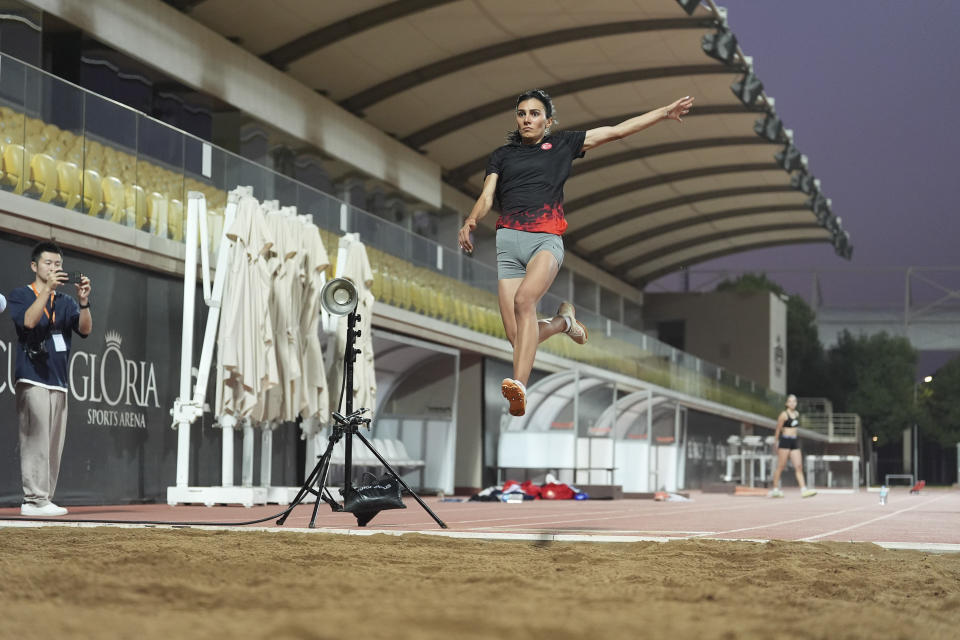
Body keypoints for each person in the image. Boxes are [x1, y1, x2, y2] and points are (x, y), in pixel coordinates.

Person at [457, 89, 694, 416]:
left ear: (548, 121)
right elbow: (487, 197)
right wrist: (470, 220)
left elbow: (616, 131)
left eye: (535, 113)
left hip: (545, 239)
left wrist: (664, 111)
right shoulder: (501, 155)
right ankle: (563, 323)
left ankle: (519, 386)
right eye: (522, 113)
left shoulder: (564, 144)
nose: (527, 119)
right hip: (508, 241)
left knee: (524, 301)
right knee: (517, 339)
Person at [7, 241, 92, 516]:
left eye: (58, 264)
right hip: (32, 377)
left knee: (53, 444)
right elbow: (29, 322)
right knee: (36, 440)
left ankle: (45, 498)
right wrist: (47, 289)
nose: (54, 268)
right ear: (34, 266)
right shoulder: (20, 294)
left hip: (59, 380)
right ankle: (33, 499)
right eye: (48, 263)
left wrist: (83, 301)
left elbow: (85, 329)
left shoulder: (65, 302)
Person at [769, 394, 816, 498]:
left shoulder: (797, 414)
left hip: (794, 441)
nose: (792, 403)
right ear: (786, 403)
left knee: (799, 466)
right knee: (781, 466)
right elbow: (778, 429)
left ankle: (804, 489)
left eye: (794, 401)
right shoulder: (784, 414)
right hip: (785, 441)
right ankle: (775, 489)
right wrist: (776, 442)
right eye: (790, 401)